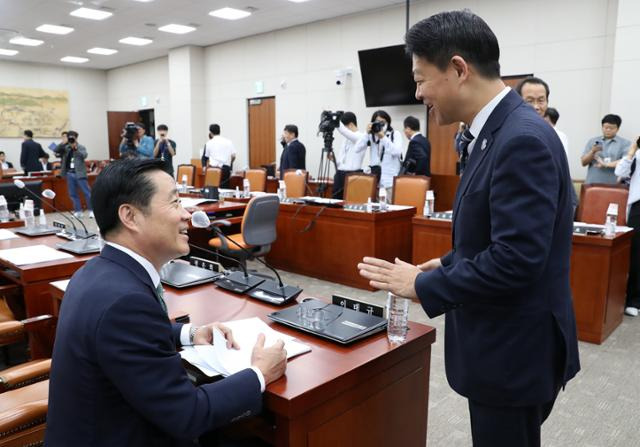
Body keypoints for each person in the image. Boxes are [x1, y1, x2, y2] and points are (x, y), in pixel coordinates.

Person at [358, 10, 580, 446]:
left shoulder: (522, 139)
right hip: (500, 342)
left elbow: (517, 260)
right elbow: (494, 234)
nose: (419, 93)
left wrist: (423, 287)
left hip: (513, 351)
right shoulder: (492, 132)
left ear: (459, 68)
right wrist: (444, 262)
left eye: (421, 79)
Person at [46, 158, 287, 446]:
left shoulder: (97, 273)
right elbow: (188, 415)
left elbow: (128, 339)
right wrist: (259, 373)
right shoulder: (125, 302)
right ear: (130, 217)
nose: (186, 214)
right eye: (174, 203)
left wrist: (190, 333)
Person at [615, 138, 640, 317]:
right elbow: (620, 172)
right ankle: (633, 300)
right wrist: (632, 150)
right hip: (638, 206)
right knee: (636, 255)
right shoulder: (637, 155)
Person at [355, 110, 403, 196]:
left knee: (391, 208)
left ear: (388, 122)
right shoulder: (371, 136)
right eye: (377, 122)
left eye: (383, 122)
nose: (380, 125)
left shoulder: (395, 134)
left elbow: (396, 152)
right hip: (375, 182)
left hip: (390, 182)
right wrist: (366, 133)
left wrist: (383, 137)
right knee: (374, 209)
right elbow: (357, 149)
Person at [54, 130, 94, 218]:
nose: (71, 139)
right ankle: (78, 211)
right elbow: (56, 150)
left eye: (73, 137)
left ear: (76, 138)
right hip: (69, 173)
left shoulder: (81, 147)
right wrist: (63, 142)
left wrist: (75, 149)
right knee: (72, 193)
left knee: (87, 193)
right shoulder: (66, 148)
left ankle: (92, 210)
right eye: (69, 137)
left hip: (79, 173)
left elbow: (84, 155)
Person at [581, 114, 630, 184]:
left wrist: (605, 164)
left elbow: (626, 162)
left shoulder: (625, 143)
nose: (608, 130)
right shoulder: (592, 141)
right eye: (605, 127)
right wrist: (592, 151)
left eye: (612, 128)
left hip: (614, 184)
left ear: (618, 129)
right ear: (602, 127)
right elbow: (583, 163)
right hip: (592, 183)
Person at [331, 112, 365, 199]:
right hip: (340, 173)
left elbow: (344, 132)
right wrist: (333, 159)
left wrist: (336, 121)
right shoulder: (346, 139)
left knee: (350, 201)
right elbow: (341, 160)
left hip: (353, 174)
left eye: (344, 127)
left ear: (350, 125)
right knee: (335, 201)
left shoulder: (361, 137)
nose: (344, 131)